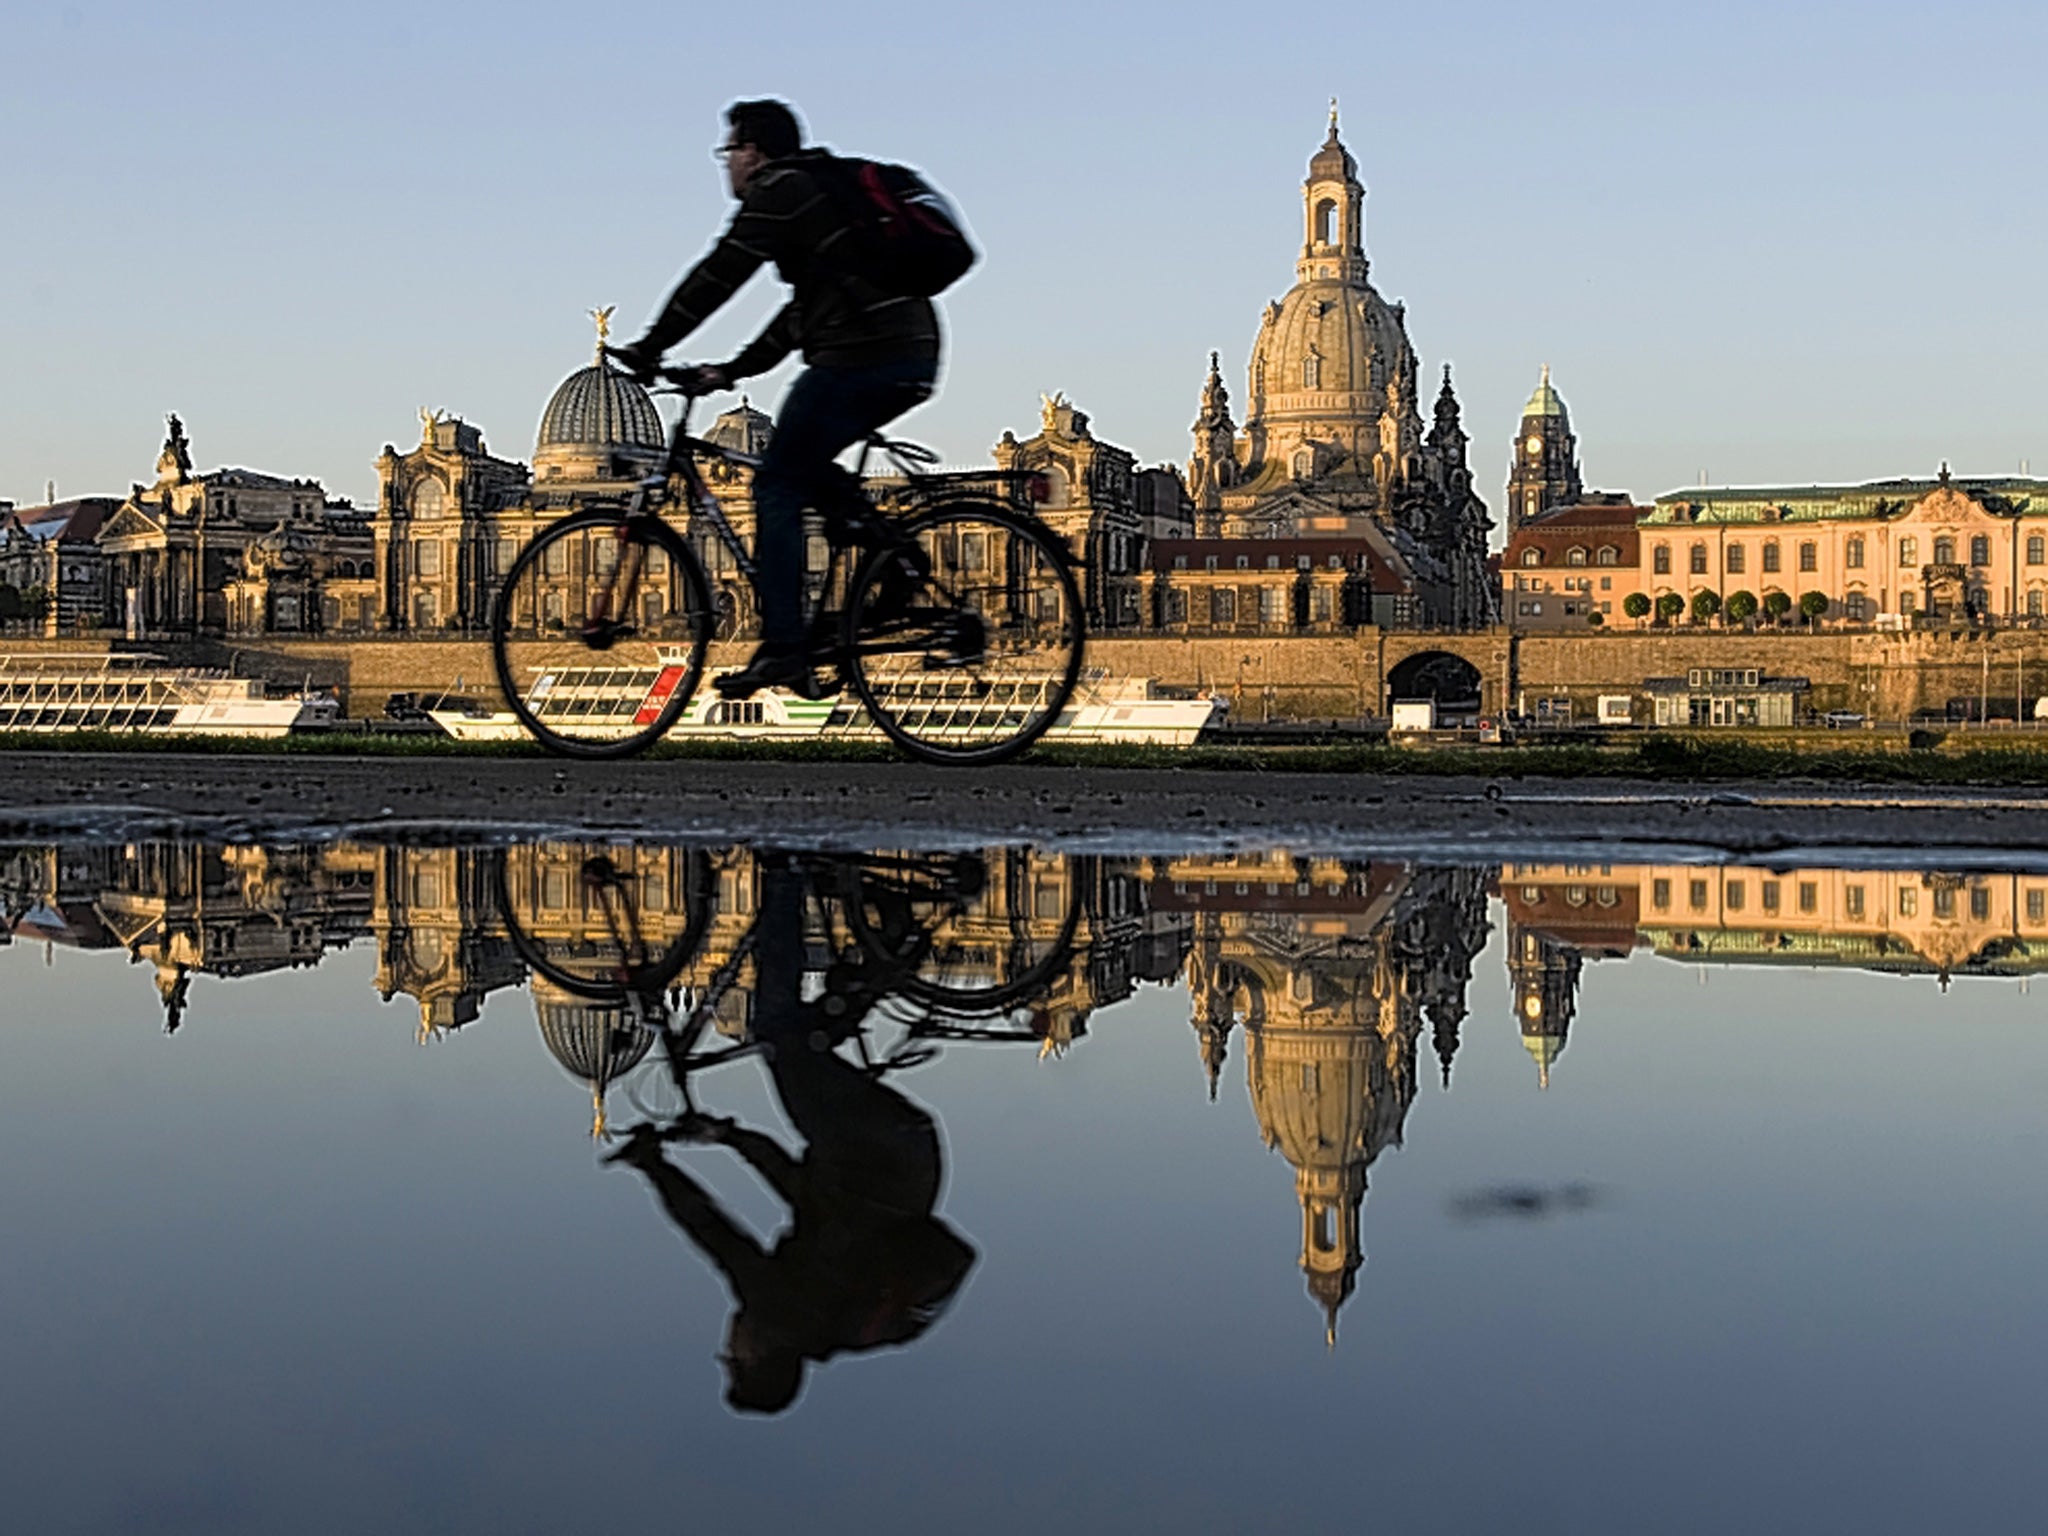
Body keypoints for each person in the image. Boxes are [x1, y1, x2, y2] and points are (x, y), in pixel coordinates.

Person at [607, 853, 975, 1415]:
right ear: (759, 1357)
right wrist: (654, 1167)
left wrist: (727, 1136)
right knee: (777, 1031)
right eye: (733, 1358)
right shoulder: (783, 1309)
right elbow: (715, 1233)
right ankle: (783, 878)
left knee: (811, 1039)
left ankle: (890, 932)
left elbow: (790, 1181)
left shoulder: (830, 1313)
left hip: (905, 1154)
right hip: (869, 1151)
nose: (729, 1346)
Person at [610, 99, 943, 699]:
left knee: (775, 484)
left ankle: (786, 647)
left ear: (754, 152)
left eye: (729, 151)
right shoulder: (818, 196)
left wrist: (651, 345)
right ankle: (895, 558)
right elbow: (802, 315)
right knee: (804, 465)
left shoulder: (782, 191)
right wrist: (732, 369)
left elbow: (719, 275)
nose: (726, 164)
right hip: (902, 351)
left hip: (867, 355)